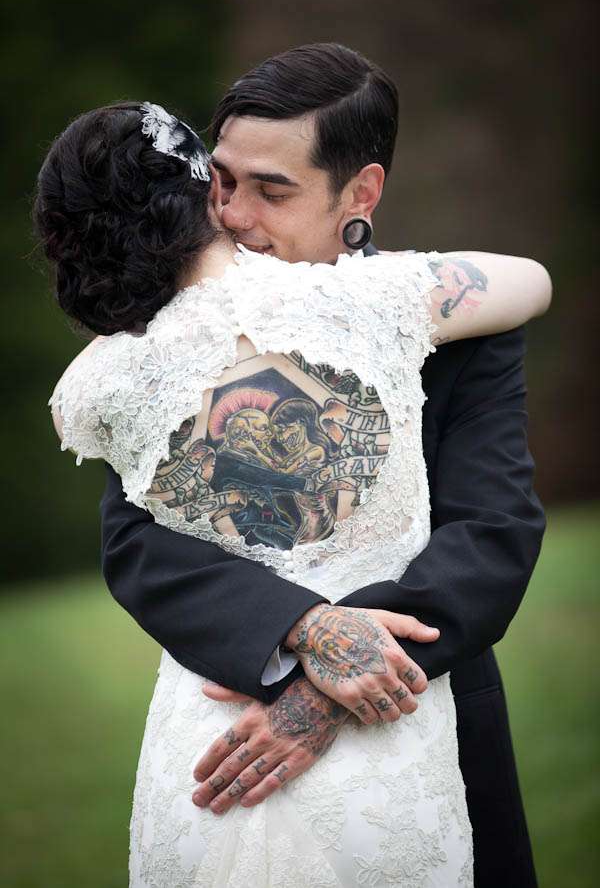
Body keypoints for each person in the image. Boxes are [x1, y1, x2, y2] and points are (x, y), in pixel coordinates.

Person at [95, 46, 547, 887]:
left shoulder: (462, 324)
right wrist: (298, 631)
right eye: (222, 183)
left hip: (423, 703)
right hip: (227, 709)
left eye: (273, 191)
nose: (234, 217)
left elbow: (494, 529)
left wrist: (331, 686)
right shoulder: (170, 325)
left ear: (361, 194)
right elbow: (136, 540)